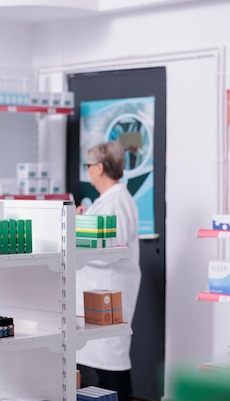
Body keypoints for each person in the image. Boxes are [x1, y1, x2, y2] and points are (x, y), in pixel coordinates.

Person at [76, 141, 141, 401]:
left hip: (109, 294)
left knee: (112, 365)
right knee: (103, 365)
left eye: (89, 165)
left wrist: (78, 232)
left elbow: (112, 249)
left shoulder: (117, 202)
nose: (88, 170)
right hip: (99, 295)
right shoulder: (108, 201)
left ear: (100, 168)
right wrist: (82, 222)